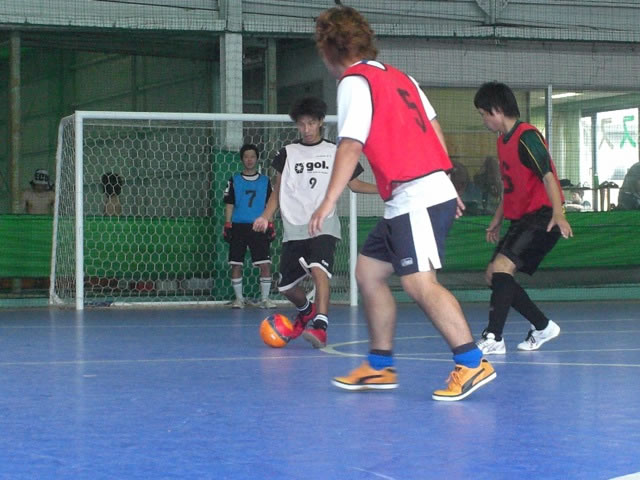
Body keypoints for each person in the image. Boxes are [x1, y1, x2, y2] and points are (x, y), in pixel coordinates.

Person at [310, 5, 496, 402]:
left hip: (417, 195)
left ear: (328, 49)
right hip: (411, 196)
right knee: (369, 272)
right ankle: (380, 366)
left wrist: (327, 201)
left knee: (418, 282)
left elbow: (351, 145)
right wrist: (446, 178)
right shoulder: (401, 77)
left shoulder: (354, 81)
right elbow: (433, 128)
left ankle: (471, 362)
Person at [253, 96, 377, 348]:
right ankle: (306, 309)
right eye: (301, 124)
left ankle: (320, 326)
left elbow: (354, 184)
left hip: (323, 224)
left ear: (320, 122)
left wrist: (384, 189)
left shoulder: (335, 152)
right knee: (286, 287)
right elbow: (278, 190)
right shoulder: (287, 153)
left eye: (311, 123)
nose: (306, 129)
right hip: (294, 226)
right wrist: (266, 216)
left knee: (319, 270)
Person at [473, 81, 573, 355]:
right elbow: (512, 188)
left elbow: (548, 176)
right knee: (494, 275)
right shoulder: (502, 142)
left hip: (543, 216)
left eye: (483, 114)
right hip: (523, 219)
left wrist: (558, 213)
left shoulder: (527, 136)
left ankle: (494, 336)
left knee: (502, 269)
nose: (483, 120)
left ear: (496, 110)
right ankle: (542, 326)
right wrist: (497, 218)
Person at [223, 144, 276, 309]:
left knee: (265, 263)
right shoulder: (234, 180)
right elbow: (229, 203)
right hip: (238, 225)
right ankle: (239, 299)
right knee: (236, 263)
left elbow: (270, 204)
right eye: (246, 156)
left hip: (259, 226)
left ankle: (265, 299)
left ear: (257, 158)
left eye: (252, 156)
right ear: (241, 159)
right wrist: (228, 224)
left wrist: (270, 223)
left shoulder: (265, 181)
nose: (249, 160)